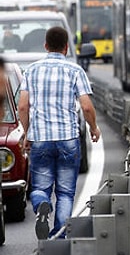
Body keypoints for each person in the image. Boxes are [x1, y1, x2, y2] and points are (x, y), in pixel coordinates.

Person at [18, 26, 101, 240]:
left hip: (41, 139)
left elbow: (23, 107)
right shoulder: (75, 71)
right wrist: (93, 128)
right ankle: (58, 237)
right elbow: (87, 107)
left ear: (45, 46)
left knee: (40, 187)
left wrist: (27, 133)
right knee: (65, 193)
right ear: (66, 47)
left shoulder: (31, 70)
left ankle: (41, 205)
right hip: (67, 139)